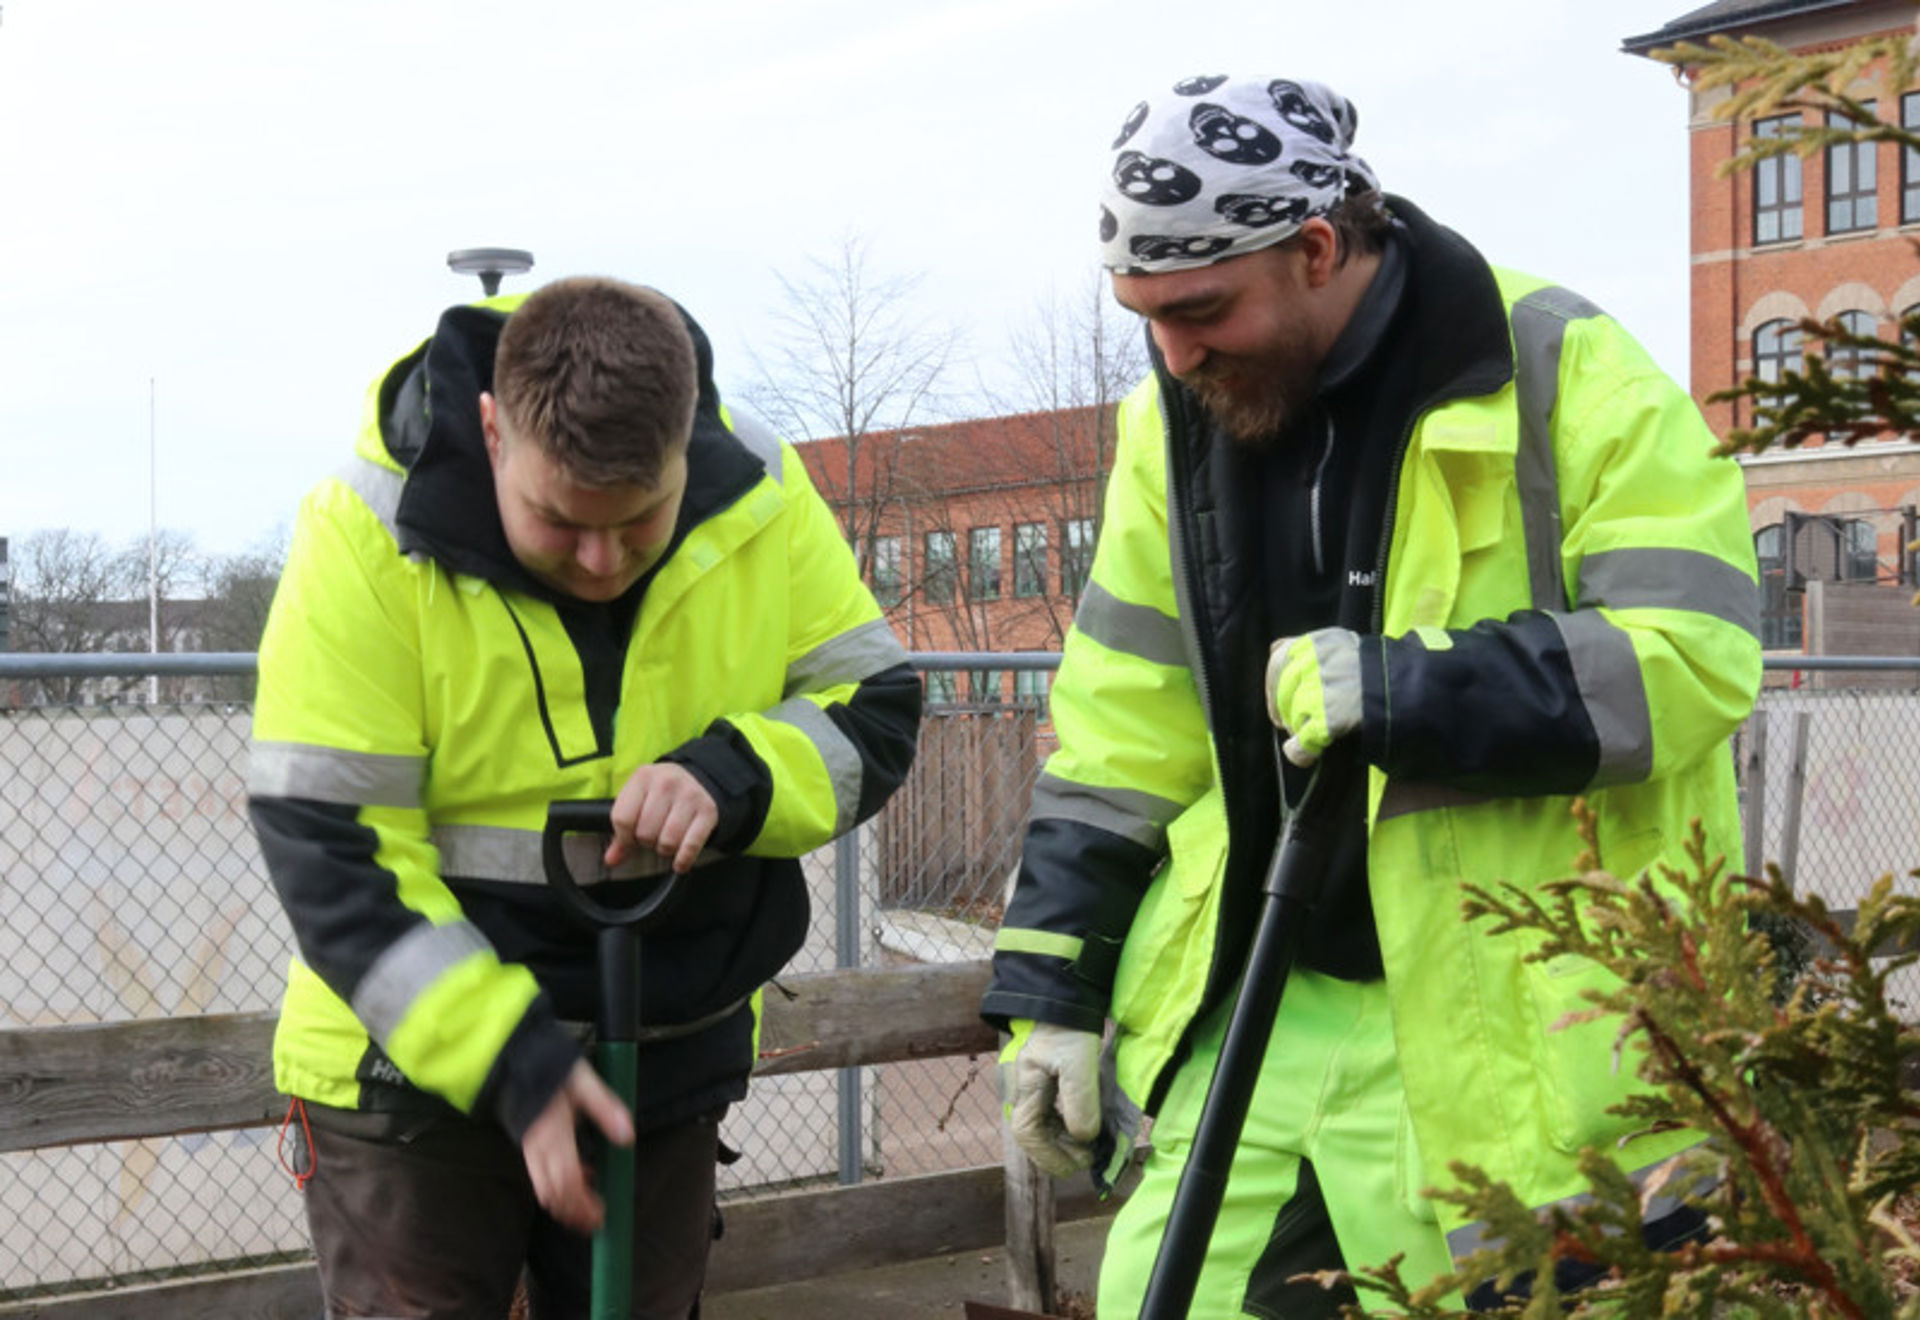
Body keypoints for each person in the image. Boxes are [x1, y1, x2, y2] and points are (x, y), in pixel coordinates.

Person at [982, 75, 1761, 1317]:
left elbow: (1699, 651)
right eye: (1145, 318)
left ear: (1317, 248)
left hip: (1514, 1023)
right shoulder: (1172, 422)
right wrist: (1050, 992)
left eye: (1201, 310)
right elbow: (1121, 735)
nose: (1174, 355)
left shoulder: (1566, 373)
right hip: (1269, 996)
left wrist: (1408, 686)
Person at [249, 276, 921, 1319]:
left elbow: (874, 706)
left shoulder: (760, 486)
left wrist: (734, 776)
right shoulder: (363, 525)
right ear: (492, 431)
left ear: (686, 440)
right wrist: (507, 1057)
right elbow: (328, 840)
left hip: (663, 1047)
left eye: (641, 520)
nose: (602, 562)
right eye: (559, 521)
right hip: (409, 1073)